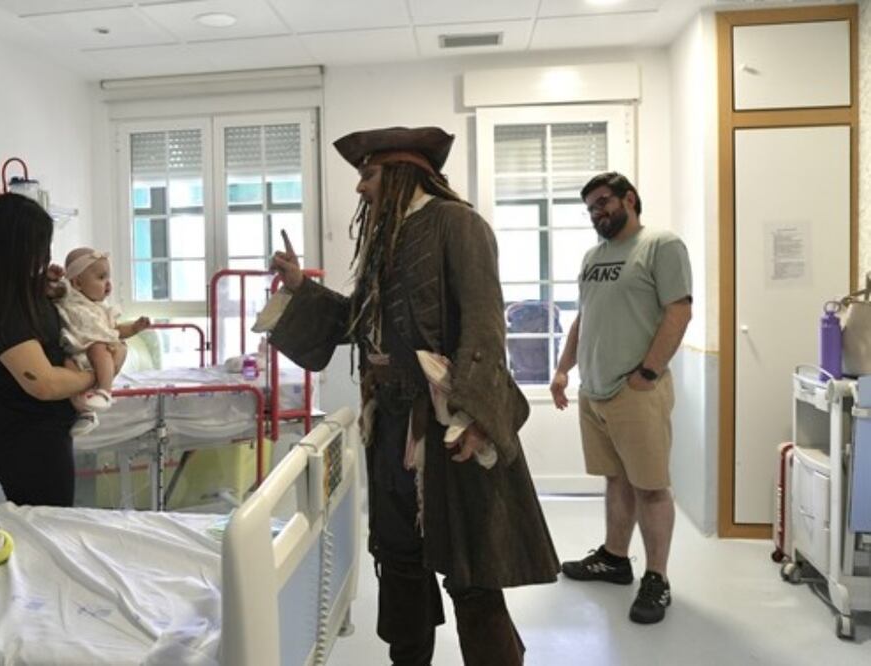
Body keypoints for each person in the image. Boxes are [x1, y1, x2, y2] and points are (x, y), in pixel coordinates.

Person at [264, 126, 559, 666]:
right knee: (399, 562)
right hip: (392, 424)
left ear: (402, 174)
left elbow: (485, 325)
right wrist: (300, 288)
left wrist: (474, 417)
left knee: (471, 572)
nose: (360, 189)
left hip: (449, 424)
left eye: (369, 175)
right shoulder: (387, 238)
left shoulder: (458, 224)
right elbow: (359, 320)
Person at [549, 171, 693, 625]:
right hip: (593, 392)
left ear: (630, 199)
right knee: (616, 479)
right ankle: (614, 558)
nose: (597, 212)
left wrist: (648, 372)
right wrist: (562, 368)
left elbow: (679, 310)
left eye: (604, 202)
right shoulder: (594, 256)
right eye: (591, 207)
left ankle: (657, 578)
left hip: (636, 392)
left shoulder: (661, 245)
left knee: (651, 487)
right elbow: (583, 317)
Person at [0, 194, 123, 506]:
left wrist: (52, 288)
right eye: (39, 248)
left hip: (40, 430)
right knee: (48, 526)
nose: (44, 256)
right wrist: (94, 376)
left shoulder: (13, 289)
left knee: (44, 522)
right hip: (26, 437)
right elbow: (43, 383)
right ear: (15, 249)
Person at [53, 247, 149, 435]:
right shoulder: (69, 294)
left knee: (98, 348)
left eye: (108, 278)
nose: (108, 284)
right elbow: (51, 289)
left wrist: (135, 328)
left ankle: (105, 392)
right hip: (76, 353)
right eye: (101, 278)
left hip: (100, 353)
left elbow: (116, 331)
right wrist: (53, 276)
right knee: (66, 368)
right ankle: (86, 413)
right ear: (77, 283)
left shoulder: (103, 309)